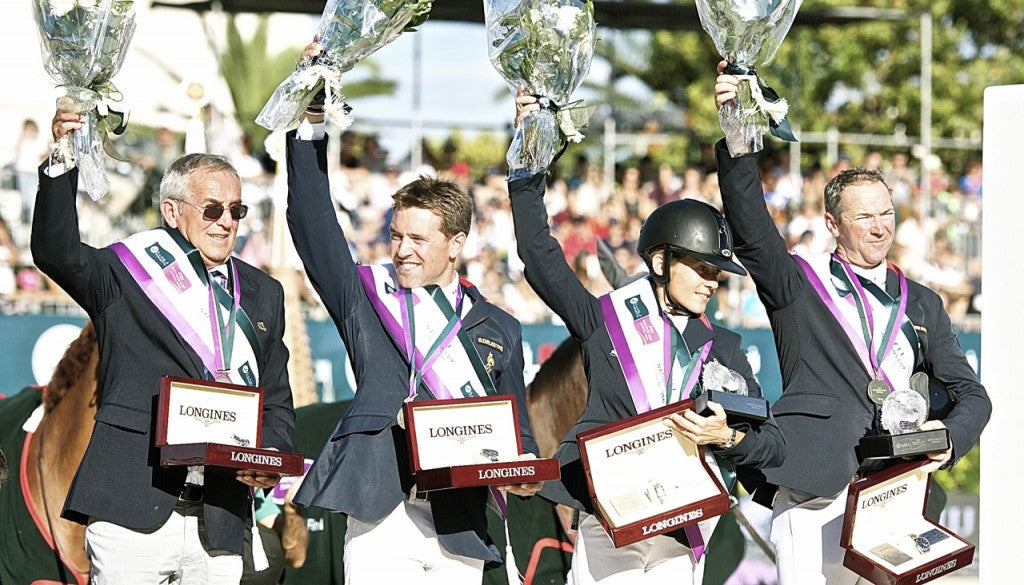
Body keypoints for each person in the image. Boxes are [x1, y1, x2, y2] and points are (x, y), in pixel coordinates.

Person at [712, 64, 991, 585]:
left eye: (886, 213)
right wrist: (737, 129)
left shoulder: (922, 302)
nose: (880, 226)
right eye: (864, 217)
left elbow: (973, 394)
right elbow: (750, 226)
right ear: (833, 224)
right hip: (814, 485)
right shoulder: (798, 283)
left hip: (895, 489)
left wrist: (947, 437)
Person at [285, 41, 541, 585]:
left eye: (418, 239)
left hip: (461, 521)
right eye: (396, 235)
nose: (402, 249)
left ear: (456, 243)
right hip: (383, 514)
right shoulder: (366, 295)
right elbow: (312, 223)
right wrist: (309, 121)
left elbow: (516, 430)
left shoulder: (501, 328)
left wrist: (523, 472)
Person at [508, 93, 784, 585]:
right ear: (660, 264)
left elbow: (770, 445)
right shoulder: (602, 323)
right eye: (699, 268)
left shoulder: (727, 349)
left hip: (682, 533)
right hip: (608, 529)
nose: (710, 282)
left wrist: (728, 436)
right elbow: (538, 254)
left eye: (715, 272)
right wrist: (528, 158)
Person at [31, 106, 295, 584]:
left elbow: (276, 398)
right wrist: (62, 157)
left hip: (220, 516)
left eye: (236, 210)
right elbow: (56, 250)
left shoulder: (263, 292)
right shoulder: (125, 273)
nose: (226, 222)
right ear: (172, 211)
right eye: (212, 209)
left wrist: (268, 458)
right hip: (134, 508)